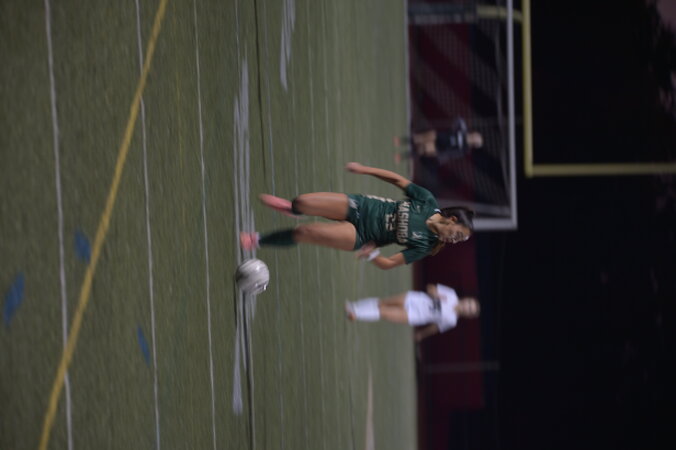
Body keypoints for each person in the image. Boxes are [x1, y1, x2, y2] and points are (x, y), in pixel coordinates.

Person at [239, 162, 474, 270]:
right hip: (360, 206)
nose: (455, 241)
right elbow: (397, 180)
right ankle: (294, 209)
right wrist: (364, 169)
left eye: (459, 240)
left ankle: (257, 240)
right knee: (302, 202)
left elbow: (390, 264)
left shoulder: (426, 246)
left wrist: (373, 255)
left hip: (361, 235)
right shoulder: (427, 201)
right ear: (452, 220)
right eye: (458, 235)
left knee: (305, 232)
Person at [345, 283, 479, 341]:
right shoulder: (451, 294)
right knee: (383, 303)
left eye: (469, 310)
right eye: (469, 304)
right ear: (466, 299)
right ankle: (354, 306)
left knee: (384, 313)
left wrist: (421, 334)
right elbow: (430, 287)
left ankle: (356, 314)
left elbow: (435, 328)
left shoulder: (452, 321)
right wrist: (435, 293)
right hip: (414, 299)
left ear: (468, 315)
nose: (466, 307)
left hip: (414, 315)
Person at [394, 117, 483, 165]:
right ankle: (400, 141)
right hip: (440, 135)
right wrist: (454, 128)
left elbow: (453, 154)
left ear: (474, 144)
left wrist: (443, 155)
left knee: (422, 149)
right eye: (476, 136)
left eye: (476, 140)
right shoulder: (464, 130)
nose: (474, 138)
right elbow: (458, 120)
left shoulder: (465, 149)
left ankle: (402, 157)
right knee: (419, 138)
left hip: (441, 147)